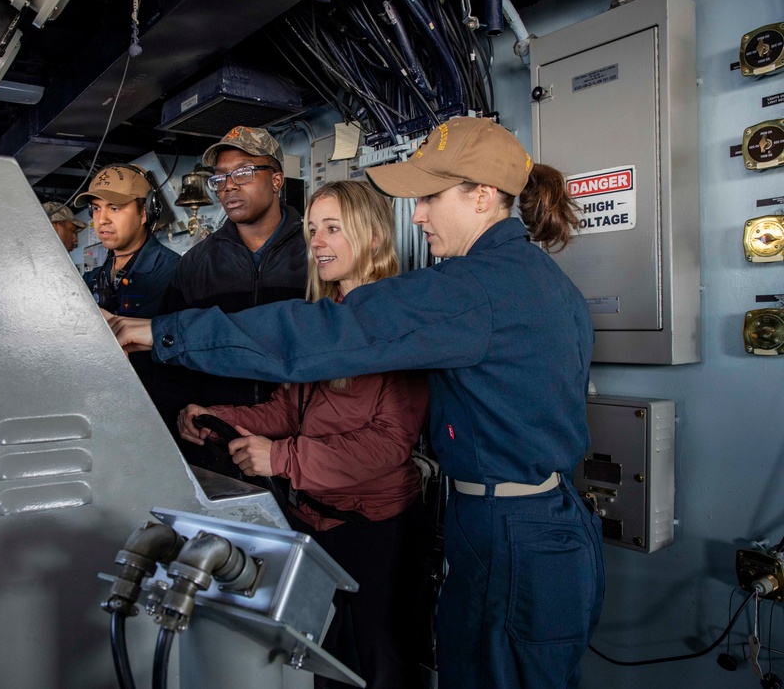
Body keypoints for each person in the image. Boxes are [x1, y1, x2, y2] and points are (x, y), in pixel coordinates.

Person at [114, 116, 606, 689]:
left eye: (429, 197)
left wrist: (158, 333)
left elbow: (319, 338)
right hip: (531, 522)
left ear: (482, 196)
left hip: (512, 533)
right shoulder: (536, 278)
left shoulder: (473, 288)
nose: (417, 215)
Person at [176, 180, 430, 688]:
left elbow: (388, 444)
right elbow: (291, 408)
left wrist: (283, 459)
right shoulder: (326, 317)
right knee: (323, 654)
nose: (315, 242)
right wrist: (220, 415)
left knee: (379, 657)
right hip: (314, 518)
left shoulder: (402, 323)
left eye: (332, 229)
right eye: (313, 229)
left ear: (375, 237)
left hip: (375, 527)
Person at [157, 126, 307, 477]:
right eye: (219, 178)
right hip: (216, 441)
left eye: (242, 172)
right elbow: (171, 360)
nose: (228, 186)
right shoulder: (196, 264)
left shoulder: (316, 254)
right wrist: (184, 418)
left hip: (299, 442)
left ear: (276, 180)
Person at [75, 164, 179, 319]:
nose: (102, 220)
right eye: (96, 209)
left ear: (145, 212)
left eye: (114, 208)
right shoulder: (93, 278)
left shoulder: (172, 272)